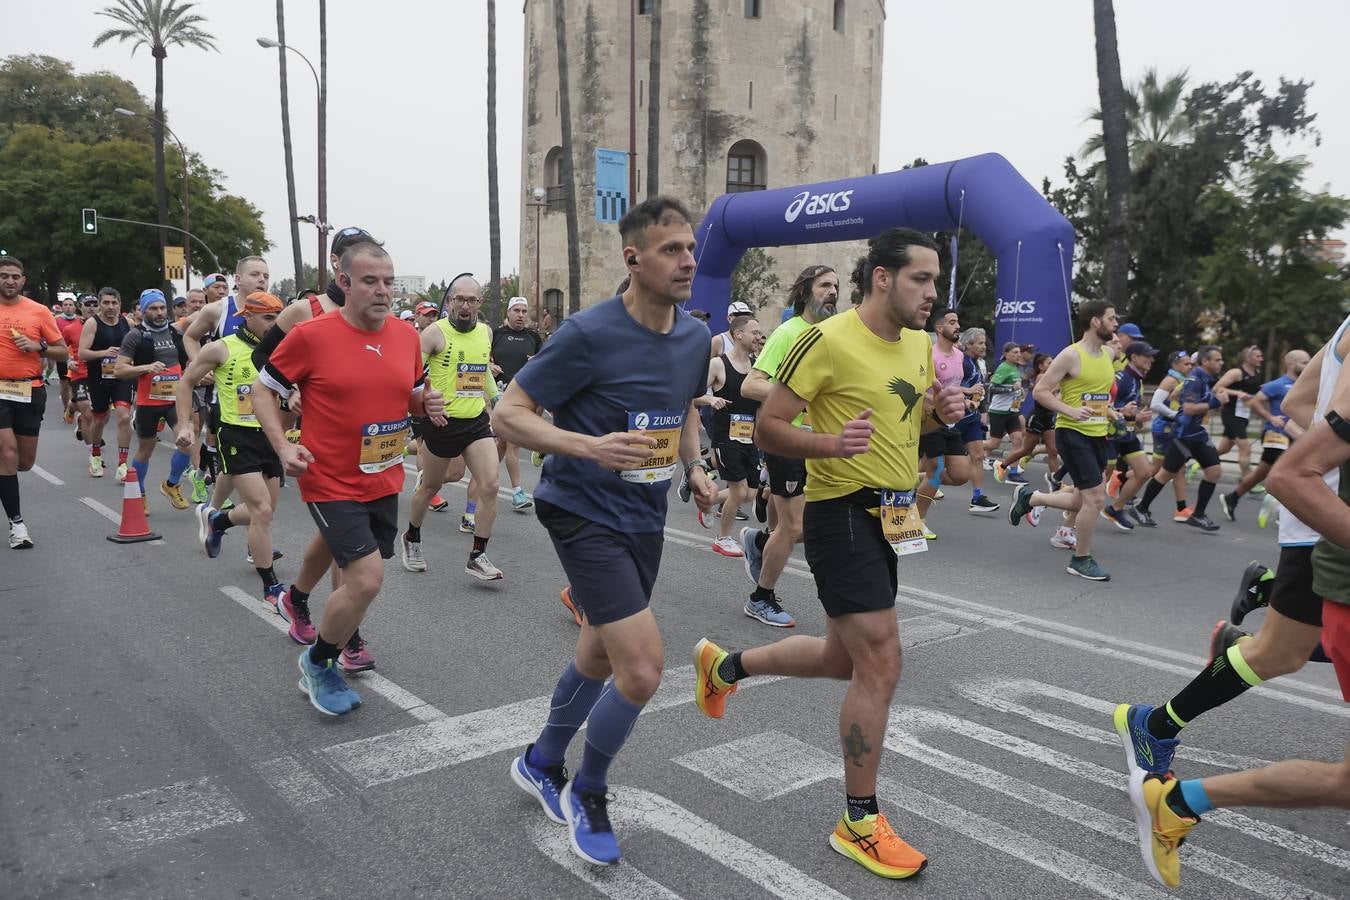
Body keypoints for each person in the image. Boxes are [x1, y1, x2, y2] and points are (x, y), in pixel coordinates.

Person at [696, 228, 966, 881]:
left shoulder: (919, 347)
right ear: (882, 277)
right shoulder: (828, 340)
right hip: (842, 512)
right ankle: (859, 820)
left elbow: (912, 422)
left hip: (893, 516)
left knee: (841, 656)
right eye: (921, 280)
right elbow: (771, 425)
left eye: (935, 282)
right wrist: (830, 446)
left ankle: (724, 667)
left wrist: (940, 412)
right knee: (883, 661)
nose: (933, 294)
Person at [494, 197, 717, 866]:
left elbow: (679, 411)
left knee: (598, 653)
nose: (687, 261)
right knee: (643, 668)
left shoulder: (695, 337)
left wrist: (697, 468)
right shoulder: (587, 334)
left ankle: (540, 760)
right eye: (672, 249)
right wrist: (586, 446)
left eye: (690, 248)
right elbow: (509, 413)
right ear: (634, 258)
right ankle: (588, 791)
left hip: (644, 512)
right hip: (581, 508)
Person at [1118, 318, 1350, 890]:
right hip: (1326, 512)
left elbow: (1299, 402)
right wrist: (1333, 454)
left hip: (1322, 507)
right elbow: (1299, 445)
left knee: (1284, 651)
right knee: (1281, 651)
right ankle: (1157, 726)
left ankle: (1161, 722)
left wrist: (1332, 446)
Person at [253, 241, 443, 716]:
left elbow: (414, 392)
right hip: (328, 478)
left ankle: (305, 609)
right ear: (345, 282)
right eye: (369, 281)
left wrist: (427, 404)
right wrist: (282, 445)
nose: (382, 291)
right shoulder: (313, 335)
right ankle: (319, 663)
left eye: (388, 281)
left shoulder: (404, 336)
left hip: (384, 477)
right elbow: (261, 390)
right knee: (367, 579)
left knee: (361, 578)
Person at [251, 226, 385, 673]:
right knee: (354, 556)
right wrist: (293, 388)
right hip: (323, 442)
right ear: (338, 266)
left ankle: (298, 598)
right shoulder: (305, 310)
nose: (374, 283)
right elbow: (263, 366)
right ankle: (346, 635)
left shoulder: (383, 320)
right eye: (353, 260)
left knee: (335, 539)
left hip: (373, 455)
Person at [737, 265, 839, 629]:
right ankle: (760, 598)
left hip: (817, 443)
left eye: (836, 286)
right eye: (825, 285)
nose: (832, 291)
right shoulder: (788, 333)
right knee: (795, 527)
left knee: (811, 525)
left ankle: (761, 541)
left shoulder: (830, 334)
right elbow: (751, 385)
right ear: (805, 291)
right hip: (785, 439)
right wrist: (799, 397)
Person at [175, 292, 287, 608]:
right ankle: (271, 587)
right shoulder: (221, 348)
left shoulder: (282, 349)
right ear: (245, 315)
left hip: (270, 436)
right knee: (261, 511)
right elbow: (185, 383)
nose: (275, 324)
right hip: (235, 436)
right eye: (268, 317)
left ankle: (218, 521)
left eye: (278, 317)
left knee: (263, 511)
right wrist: (185, 425)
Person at [400, 275, 505, 581]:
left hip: (475, 421)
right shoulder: (433, 334)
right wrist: (421, 402)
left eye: (471, 300)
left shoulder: (485, 332)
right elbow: (410, 377)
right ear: (449, 302)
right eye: (459, 299)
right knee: (431, 487)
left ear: (478, 304)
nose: (465, 306)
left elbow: (481, 367)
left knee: (491, 486)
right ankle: (412, 537)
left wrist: (496, 395)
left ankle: (477, 555)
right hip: (440, 422)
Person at [1007, 301, 1119, 581]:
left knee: (1082, 499)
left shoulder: (1109, 354)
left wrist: (1114, 412)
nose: (1115, 324)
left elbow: (1096, 395)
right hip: (1072, 434)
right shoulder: (1071, 355)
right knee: (1095, 499)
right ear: (1095, 322)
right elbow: (1042, 391)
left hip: (1098, 434)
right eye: (1111, 318)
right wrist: (1069, 410)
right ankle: (1081, 559)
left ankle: (1030, 497)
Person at [0, 257, 67, 548]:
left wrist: (38, 346)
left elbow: (62, 352)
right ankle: (17, 525)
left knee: (24, 462)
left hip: (30, 390)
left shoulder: (38, 312)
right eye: (3, 276)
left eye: (15, 276)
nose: (9, 281)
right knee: (8, 454)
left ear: (23, 280)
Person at [1132, 346, 1229, 532]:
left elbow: (1177, 394)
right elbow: (1189, 408)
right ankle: (1141, 508)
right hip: (1183, 435)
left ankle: (1198, 514)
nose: (1221, 363)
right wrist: (1216, 402)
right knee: (1164, 474)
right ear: (1205, 361)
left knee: (1214, 471)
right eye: (1217, 360)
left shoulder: (1203, 379)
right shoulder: (1195, 380)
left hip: (1197, 434)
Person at [113, 290, 194, 510]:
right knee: (146, 449)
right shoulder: (136, 336)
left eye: (161, 308)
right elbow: (119, 370)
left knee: (187, 442)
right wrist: (146, 367)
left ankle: (172, 484)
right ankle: (139, 494)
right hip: (148, 402)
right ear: (144, 310)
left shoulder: (175, 332)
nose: (159, 313)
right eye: (153, 309)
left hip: (174, 400)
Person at [1221, 350, 1310, 521]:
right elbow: (1254, 401)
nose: (1308, 366)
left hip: (1294, 435)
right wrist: (1270, 417)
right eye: (1304, 362)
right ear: (1291, 364)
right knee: (1288, 472)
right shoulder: (1278, 384)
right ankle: (1281, 512)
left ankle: (1231, 498)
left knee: (1259, 474)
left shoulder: (1303, 384)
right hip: (1276, 436)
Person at [706, 315, 763, 559]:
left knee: (751, 492)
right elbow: (693, 393)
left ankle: (708, 501)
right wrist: (710, 398)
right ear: (739, 335)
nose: (759, 337)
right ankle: (723, 538)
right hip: (724, 435)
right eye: (755, 332)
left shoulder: (757, 367)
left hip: (748, 435)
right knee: (739, 491)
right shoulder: (718, 364)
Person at [491, 296, 543, 511]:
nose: (521, 315)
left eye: (524, 311)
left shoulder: (533, 337)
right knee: (512, 443)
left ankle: (484, 477)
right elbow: (480, 357)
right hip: (501, 395)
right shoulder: (496, 334)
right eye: (517, 311)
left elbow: (546, 362)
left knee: (503, 445)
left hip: (525, 395)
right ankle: (518, 492)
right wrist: (488, 365)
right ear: (508, 312)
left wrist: (537, 362)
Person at [1100, 342, 1159, 529]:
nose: (1151, 360)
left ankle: (1115, 509)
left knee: (1144, 472)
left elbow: (1130, 413)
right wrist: (1129, 414)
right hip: (1109, 437)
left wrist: (1138, 419)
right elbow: (1103, 408)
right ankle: (1066, 505)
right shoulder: (1121, 378)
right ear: (1134, 358)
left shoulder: (1137, 379)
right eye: (1147, 356)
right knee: (1096, 484)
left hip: (1127, 435)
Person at [78, 288, 133, 480]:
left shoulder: (128, 323)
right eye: (106, 303)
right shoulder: (93, 324)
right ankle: (95, 454)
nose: (110, 307)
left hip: (122, 378)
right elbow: (82, 353)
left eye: (114, 303)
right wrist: (104, 353)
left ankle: (123, 464)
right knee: (100, 419)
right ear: (100, 304)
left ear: (120, 304)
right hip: (99, 379)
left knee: (124, 417)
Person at [956, 327, 998, 513]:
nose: (984, 347)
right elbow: (948, 385)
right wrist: (966, 397)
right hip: (954, 417)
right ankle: (917, 485)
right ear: (968, 345)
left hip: (971, 417)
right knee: (933, 461)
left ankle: (977, 497)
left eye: (984, 343)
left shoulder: (975, 362)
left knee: (978, 455)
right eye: (980, 343)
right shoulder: (961, 361)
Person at [1214, 345, 1264, 483]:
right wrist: (1238, 393)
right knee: (1245, 448)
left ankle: (1196, 464)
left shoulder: (1257, 373)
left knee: (1224, 449)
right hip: (1231, 414)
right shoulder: (1236, 372)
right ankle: (1248, 481)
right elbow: (1217, 388)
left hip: (1244, 415)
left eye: (1261, 356)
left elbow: (1255, 391)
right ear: (1247, 358)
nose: (1261, 359)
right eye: (1258, 356)